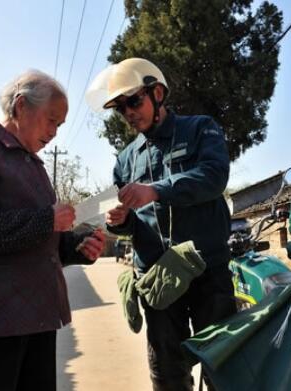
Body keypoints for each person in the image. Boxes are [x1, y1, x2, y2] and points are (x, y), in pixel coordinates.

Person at [0, 69, 105, 391]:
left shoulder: (33, 164)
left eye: (59, 125)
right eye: (51, 120)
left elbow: (41, 242)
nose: (54, 132)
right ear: (21, 106)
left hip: (38, 315)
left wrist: (77, 246)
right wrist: (46, 221)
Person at [87, 58, 237, 390]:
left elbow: (213, 177)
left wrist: (155, 190)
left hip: (206, 269)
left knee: (224, 364)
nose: (127, 112)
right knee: (167, 371)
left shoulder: (200, 128)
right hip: (157, 278)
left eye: (133, 101)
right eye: (120, 107)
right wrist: (120, 221)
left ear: (157, 93)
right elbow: (128, 223)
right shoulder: (125, 160)